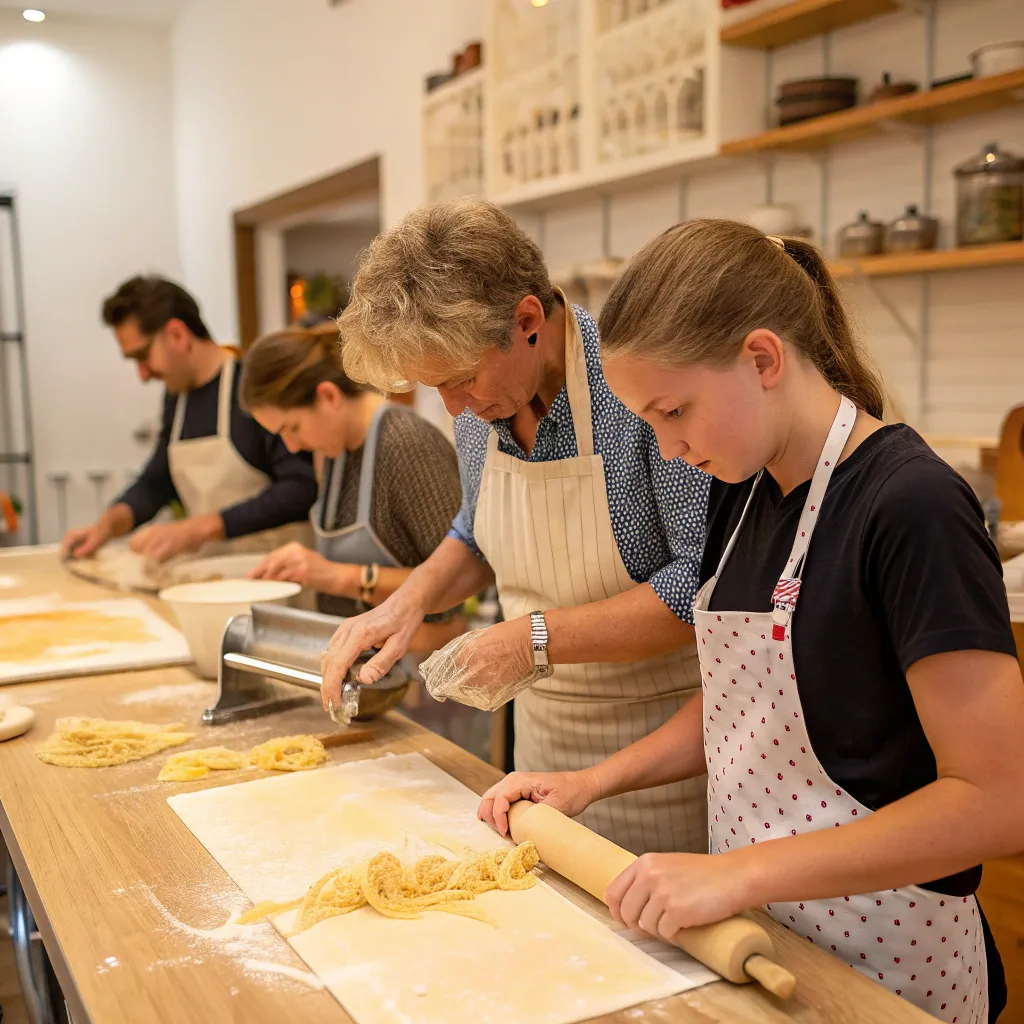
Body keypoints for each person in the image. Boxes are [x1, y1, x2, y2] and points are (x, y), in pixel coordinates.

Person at [478, 220, 1024, 1024]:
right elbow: (749, 703)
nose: (666, 451)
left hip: (892, 956)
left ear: (763, 359)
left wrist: (741, 875)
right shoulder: (744, 490)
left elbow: (997, 796)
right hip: (769, 935)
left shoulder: (910, 506)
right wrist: (592, 784)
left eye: (673, 412)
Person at [320, 197, 711, 856]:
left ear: (527, 320)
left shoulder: (639, 391)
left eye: (462, 380)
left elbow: (701, 586)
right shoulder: (481, 402)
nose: (453, 408)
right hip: (542, 754)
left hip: (663, 768)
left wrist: (534, 637)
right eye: (433, 387)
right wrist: (405, 604)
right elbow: (477, 533)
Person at [61, 276, 317, 562]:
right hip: (213, 580)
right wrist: (105, 527)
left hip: (277, 580)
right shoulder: (177, 399)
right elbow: (156, 482)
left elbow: (301, 488)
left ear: (178, 334)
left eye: (143, 356)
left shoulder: (254, 388)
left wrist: (200, 529)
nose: (143, 375)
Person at [238, 325, 463, 642]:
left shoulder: (405, 444)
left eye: (293, 428)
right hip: (362, 662)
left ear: (329, 397)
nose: (291, 446)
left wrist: (337, 576)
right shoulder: (335, 449)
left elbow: (458, 582)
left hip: (420, 670)